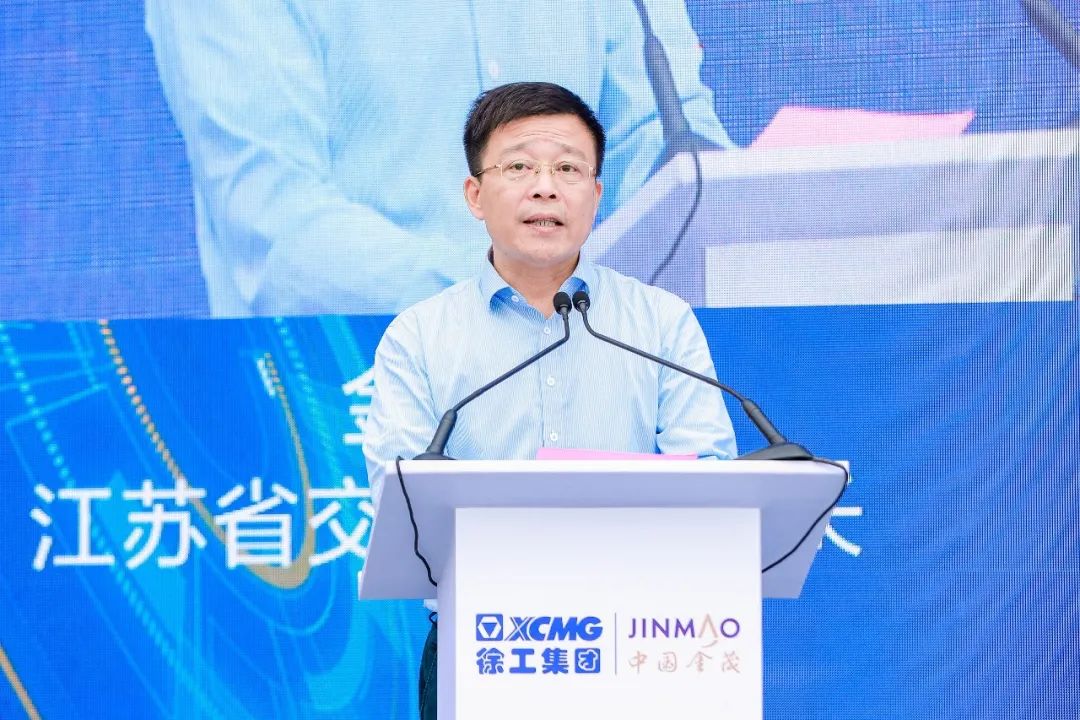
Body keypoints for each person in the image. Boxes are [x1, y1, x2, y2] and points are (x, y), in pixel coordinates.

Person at [361, 81, 736, 720]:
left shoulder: (660, 322)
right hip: (484, 644)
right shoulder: (419, 336)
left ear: (597, 194)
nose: (545, 188)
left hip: (639, 643)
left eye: (568, 169)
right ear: (474, 195)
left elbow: (710, 477)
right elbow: (402, 502)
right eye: (519, 168)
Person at [144, 1, 735, 317]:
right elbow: (277, 226)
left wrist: (741, 200)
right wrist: (515, 305)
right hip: (349, 405)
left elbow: (669, 154)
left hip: (592, 394)